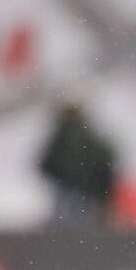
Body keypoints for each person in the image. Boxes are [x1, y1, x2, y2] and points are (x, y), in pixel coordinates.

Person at [38, 97, 117, 226]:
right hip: (80, 183)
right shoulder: (82, 133)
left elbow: (51, 158)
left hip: (71, 183)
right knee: (79, 215)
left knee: (68, 215)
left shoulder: (66, 134)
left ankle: (66, 233)